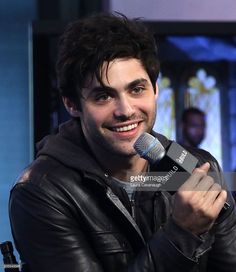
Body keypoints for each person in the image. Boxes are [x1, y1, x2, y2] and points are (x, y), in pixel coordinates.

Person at [9, 12, 236, 272]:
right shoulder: (42, 191)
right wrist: (182, 233)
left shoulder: (200, 166)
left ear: (155, 90)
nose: (125, 110)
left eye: (137, 89)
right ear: (72, 105)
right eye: (104, 96)